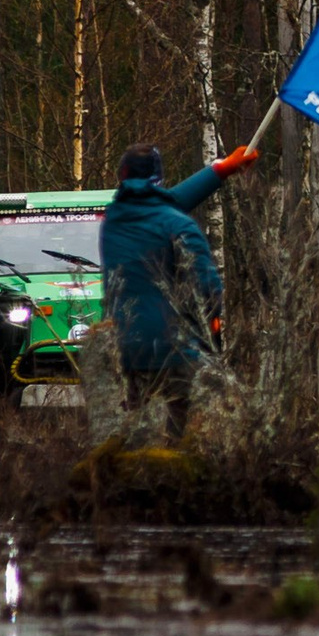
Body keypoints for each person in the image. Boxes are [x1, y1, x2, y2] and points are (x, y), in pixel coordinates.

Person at [98, 141, 258, 433]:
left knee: (134, 435)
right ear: (158, 179)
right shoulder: (178, 225)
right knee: (193, 430)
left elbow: (164, 202)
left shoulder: (112, 221)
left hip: (123, 347)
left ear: (122, 176)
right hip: (173, 348)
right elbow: (208, 288)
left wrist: (221, 170)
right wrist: (211, 335)